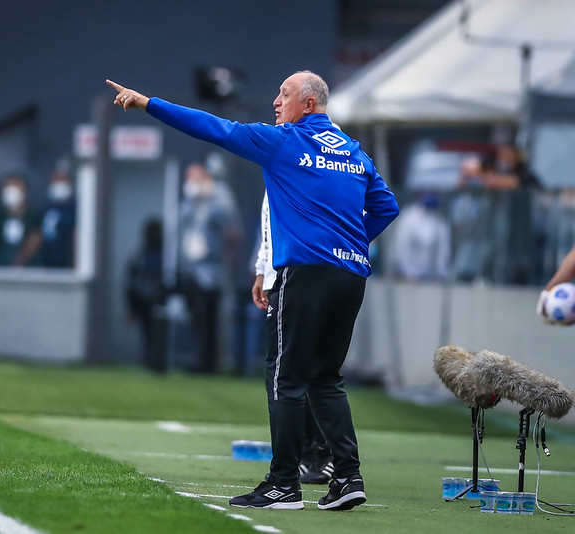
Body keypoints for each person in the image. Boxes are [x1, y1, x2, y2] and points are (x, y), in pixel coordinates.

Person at [106, 71, 399, 511]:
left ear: (308, 104)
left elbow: (214, 128)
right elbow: (386, 207)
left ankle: (283, 484)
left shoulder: (284, 141)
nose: (276, 102)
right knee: (325, 378)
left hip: (306, 273)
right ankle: (347, 476)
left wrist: (149, 103)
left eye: (284, 94)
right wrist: (350, 243)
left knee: (286, 378)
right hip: (350, 275)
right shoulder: (355, 153)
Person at [252, 191, 334, 485]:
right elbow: (269, 222)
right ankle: (302, 454)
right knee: (287, 370)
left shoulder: (310, 169)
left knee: (309, 370)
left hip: (306, 273)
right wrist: (263, 270)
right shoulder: (277, 169)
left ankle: (325, 454)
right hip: (281, 276)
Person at [177, 162, 242, 374]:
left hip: (213, 271)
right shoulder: (189, 202)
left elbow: (232, 230)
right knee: (196, 318)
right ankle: (199, 359)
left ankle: (212, 363)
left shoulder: (219, 198)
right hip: (191, 269)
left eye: (194, 178)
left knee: (212, 319)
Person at [125, 218, 165, 372]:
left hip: (156, 299)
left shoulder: (163, 255)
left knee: (155, 333)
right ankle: (151, 359)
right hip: (145, 299)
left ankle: (155, 360)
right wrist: (131, 306)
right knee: (148, 333)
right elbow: (132, 281)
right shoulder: (142, 255)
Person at [17, 170, 76, 268]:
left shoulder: (75, 209)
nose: (58, 184)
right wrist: (20, 261)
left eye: (62, 180)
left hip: (68, 265)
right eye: (55, 180)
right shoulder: (46, 208)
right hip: (46, 265)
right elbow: (36, 236)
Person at [390, 192, 451, 281]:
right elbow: (401, 249)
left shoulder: (440, 220)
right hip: (410, 277)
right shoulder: (408, 217)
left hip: (433, 278)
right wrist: (409, 273)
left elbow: (443, 252)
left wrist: (442, 273)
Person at [0, 173, 40, 266]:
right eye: (8, 186)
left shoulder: (33, 218)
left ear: (24, 190)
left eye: (16, 185)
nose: (12, 190)